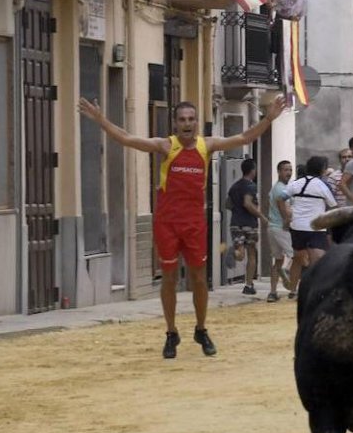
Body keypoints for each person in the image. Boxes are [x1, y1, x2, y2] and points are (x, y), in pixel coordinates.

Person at [77, 94, 285, 359]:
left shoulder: (206, 146)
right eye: (182, 120)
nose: (187, 124)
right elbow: (128, 139)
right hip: (167, 222)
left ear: (197, 122)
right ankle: (171, 332)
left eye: (191, 119)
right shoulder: (166, 146)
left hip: (194, 222)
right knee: (170, 277)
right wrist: (100, 120)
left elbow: (244, 138)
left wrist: (269, 118)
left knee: (198, 278)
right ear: (175, 124)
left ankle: (201, 328)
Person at [286, 155, 338, 290]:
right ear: (322, 169)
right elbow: (333, 205)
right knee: (317, 261)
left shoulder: (296, 183)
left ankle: (292, 290)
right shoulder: (322, 185)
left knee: (297, 260)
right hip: (316, 228)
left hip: (297, 226)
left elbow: (281, 197)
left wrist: (285, 215)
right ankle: (313, 289)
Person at [225, 157, 268, 296]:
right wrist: (262, 216)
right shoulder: (251, 186)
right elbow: (248, 203)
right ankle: (248, 285)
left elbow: (227, 204)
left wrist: (237, 211)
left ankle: (235, 252)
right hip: (249, 223)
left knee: (240, 254)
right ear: (253, 170)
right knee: (251, 254)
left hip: (235, 223)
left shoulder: (234, 186)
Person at [264, 160, 294, 302]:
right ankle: (291, 285)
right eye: (285, 170)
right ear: (279, 171)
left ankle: (273, 292)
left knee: (277, 260)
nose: (288, 172)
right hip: (281, 228)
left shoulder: (275, 187)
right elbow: (284, 210)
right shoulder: (282, 190)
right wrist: (287, 223)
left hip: (272, 227)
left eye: (290, 169)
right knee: (297, 257)